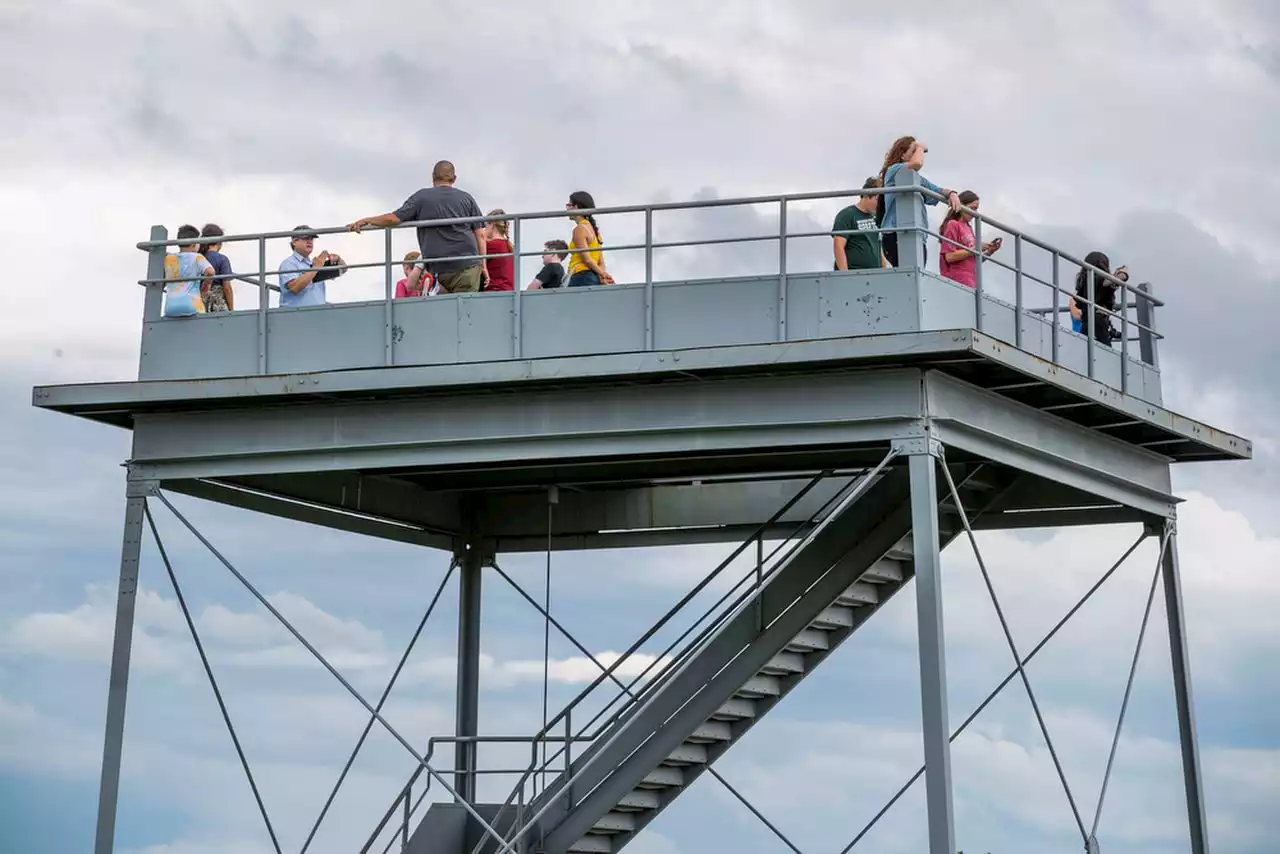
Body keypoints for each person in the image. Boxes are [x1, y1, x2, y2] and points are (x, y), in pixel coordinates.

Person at [347, 160, 488, 295]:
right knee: (464, 315)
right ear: (454, 178)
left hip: (438, 269)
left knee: (443, 315)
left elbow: (393, 219)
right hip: (467, 267)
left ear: (433, 177)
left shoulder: (421, 197)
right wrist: (484, 266)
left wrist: (367, 220)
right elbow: (481, 235)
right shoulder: (467, 198)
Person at [877, 135, 961, 267]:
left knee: (916, 275)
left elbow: (938, 190)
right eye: (913, 151)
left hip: (916, 235)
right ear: (902, 154)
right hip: (895, 234)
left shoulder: (918, 179)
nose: (918, 153)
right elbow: (917, 164)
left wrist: (952, 193)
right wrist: (921, 147)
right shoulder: (894, 170)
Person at [938, 191, 1002, 288]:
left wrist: (989, 251)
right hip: (955, 281)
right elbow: (949, 257)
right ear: (962, 206)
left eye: (976, 209)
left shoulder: (969, 228)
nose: (974, 213)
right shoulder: (953, 224)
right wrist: (976, 248)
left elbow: (972, 259)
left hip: (971, 283)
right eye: (972, 208)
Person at [277, 226, 347, 308]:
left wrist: (338, 259)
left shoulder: (314, 264)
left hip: (316, 315)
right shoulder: (288, 263)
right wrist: (316, 267)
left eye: (311, 238)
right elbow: (294, 288)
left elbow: (343, 269)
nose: (309, 241)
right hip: (295, 316)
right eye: (305, 238)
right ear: (294, 242)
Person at [832, 178, 890, 271]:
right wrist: (845, 274)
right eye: (877, 200)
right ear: (867, 196)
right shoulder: (847, 215)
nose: (880, 205)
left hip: (875, 275)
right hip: (854, 274)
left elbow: (877, 244)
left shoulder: (877, 218)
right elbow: (838, 245)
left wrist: (883, 269)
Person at [1069, 250, 1124, 345]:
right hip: (1095, 323)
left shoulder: (1083, 283)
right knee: (1103, 354)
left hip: (1089, 325)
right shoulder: (1099, 280)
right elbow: (1076, 314)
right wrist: (1123, 271)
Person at [163, 224, 214, 317]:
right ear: (194, 243)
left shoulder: (168, 259)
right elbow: (210, 272)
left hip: (171, 308)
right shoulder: (197, 257)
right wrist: (206, 285)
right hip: (192, 306)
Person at [566, 191, 614, 287]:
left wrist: (603, 274)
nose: (566, 208)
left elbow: (587, 260)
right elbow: (601, 262)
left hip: (580, 277)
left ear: (577, 207)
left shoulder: (579, 229)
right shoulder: (596, 232)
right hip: (593, 276)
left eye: (569, 205)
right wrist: (601, 274)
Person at [198, 223, 235, 312]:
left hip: (200, 303)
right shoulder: (222, 259)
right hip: (217, 304)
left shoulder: (198, 258)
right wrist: (231, 309)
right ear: (219, 242)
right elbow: (227, 287)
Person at [481, 210, 515, 291]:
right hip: (508, 289)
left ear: (492, 224)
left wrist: (481, 238)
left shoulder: (492, 245)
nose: (485, 229)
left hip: (495, 290)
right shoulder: (507, 244)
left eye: (486, 225)